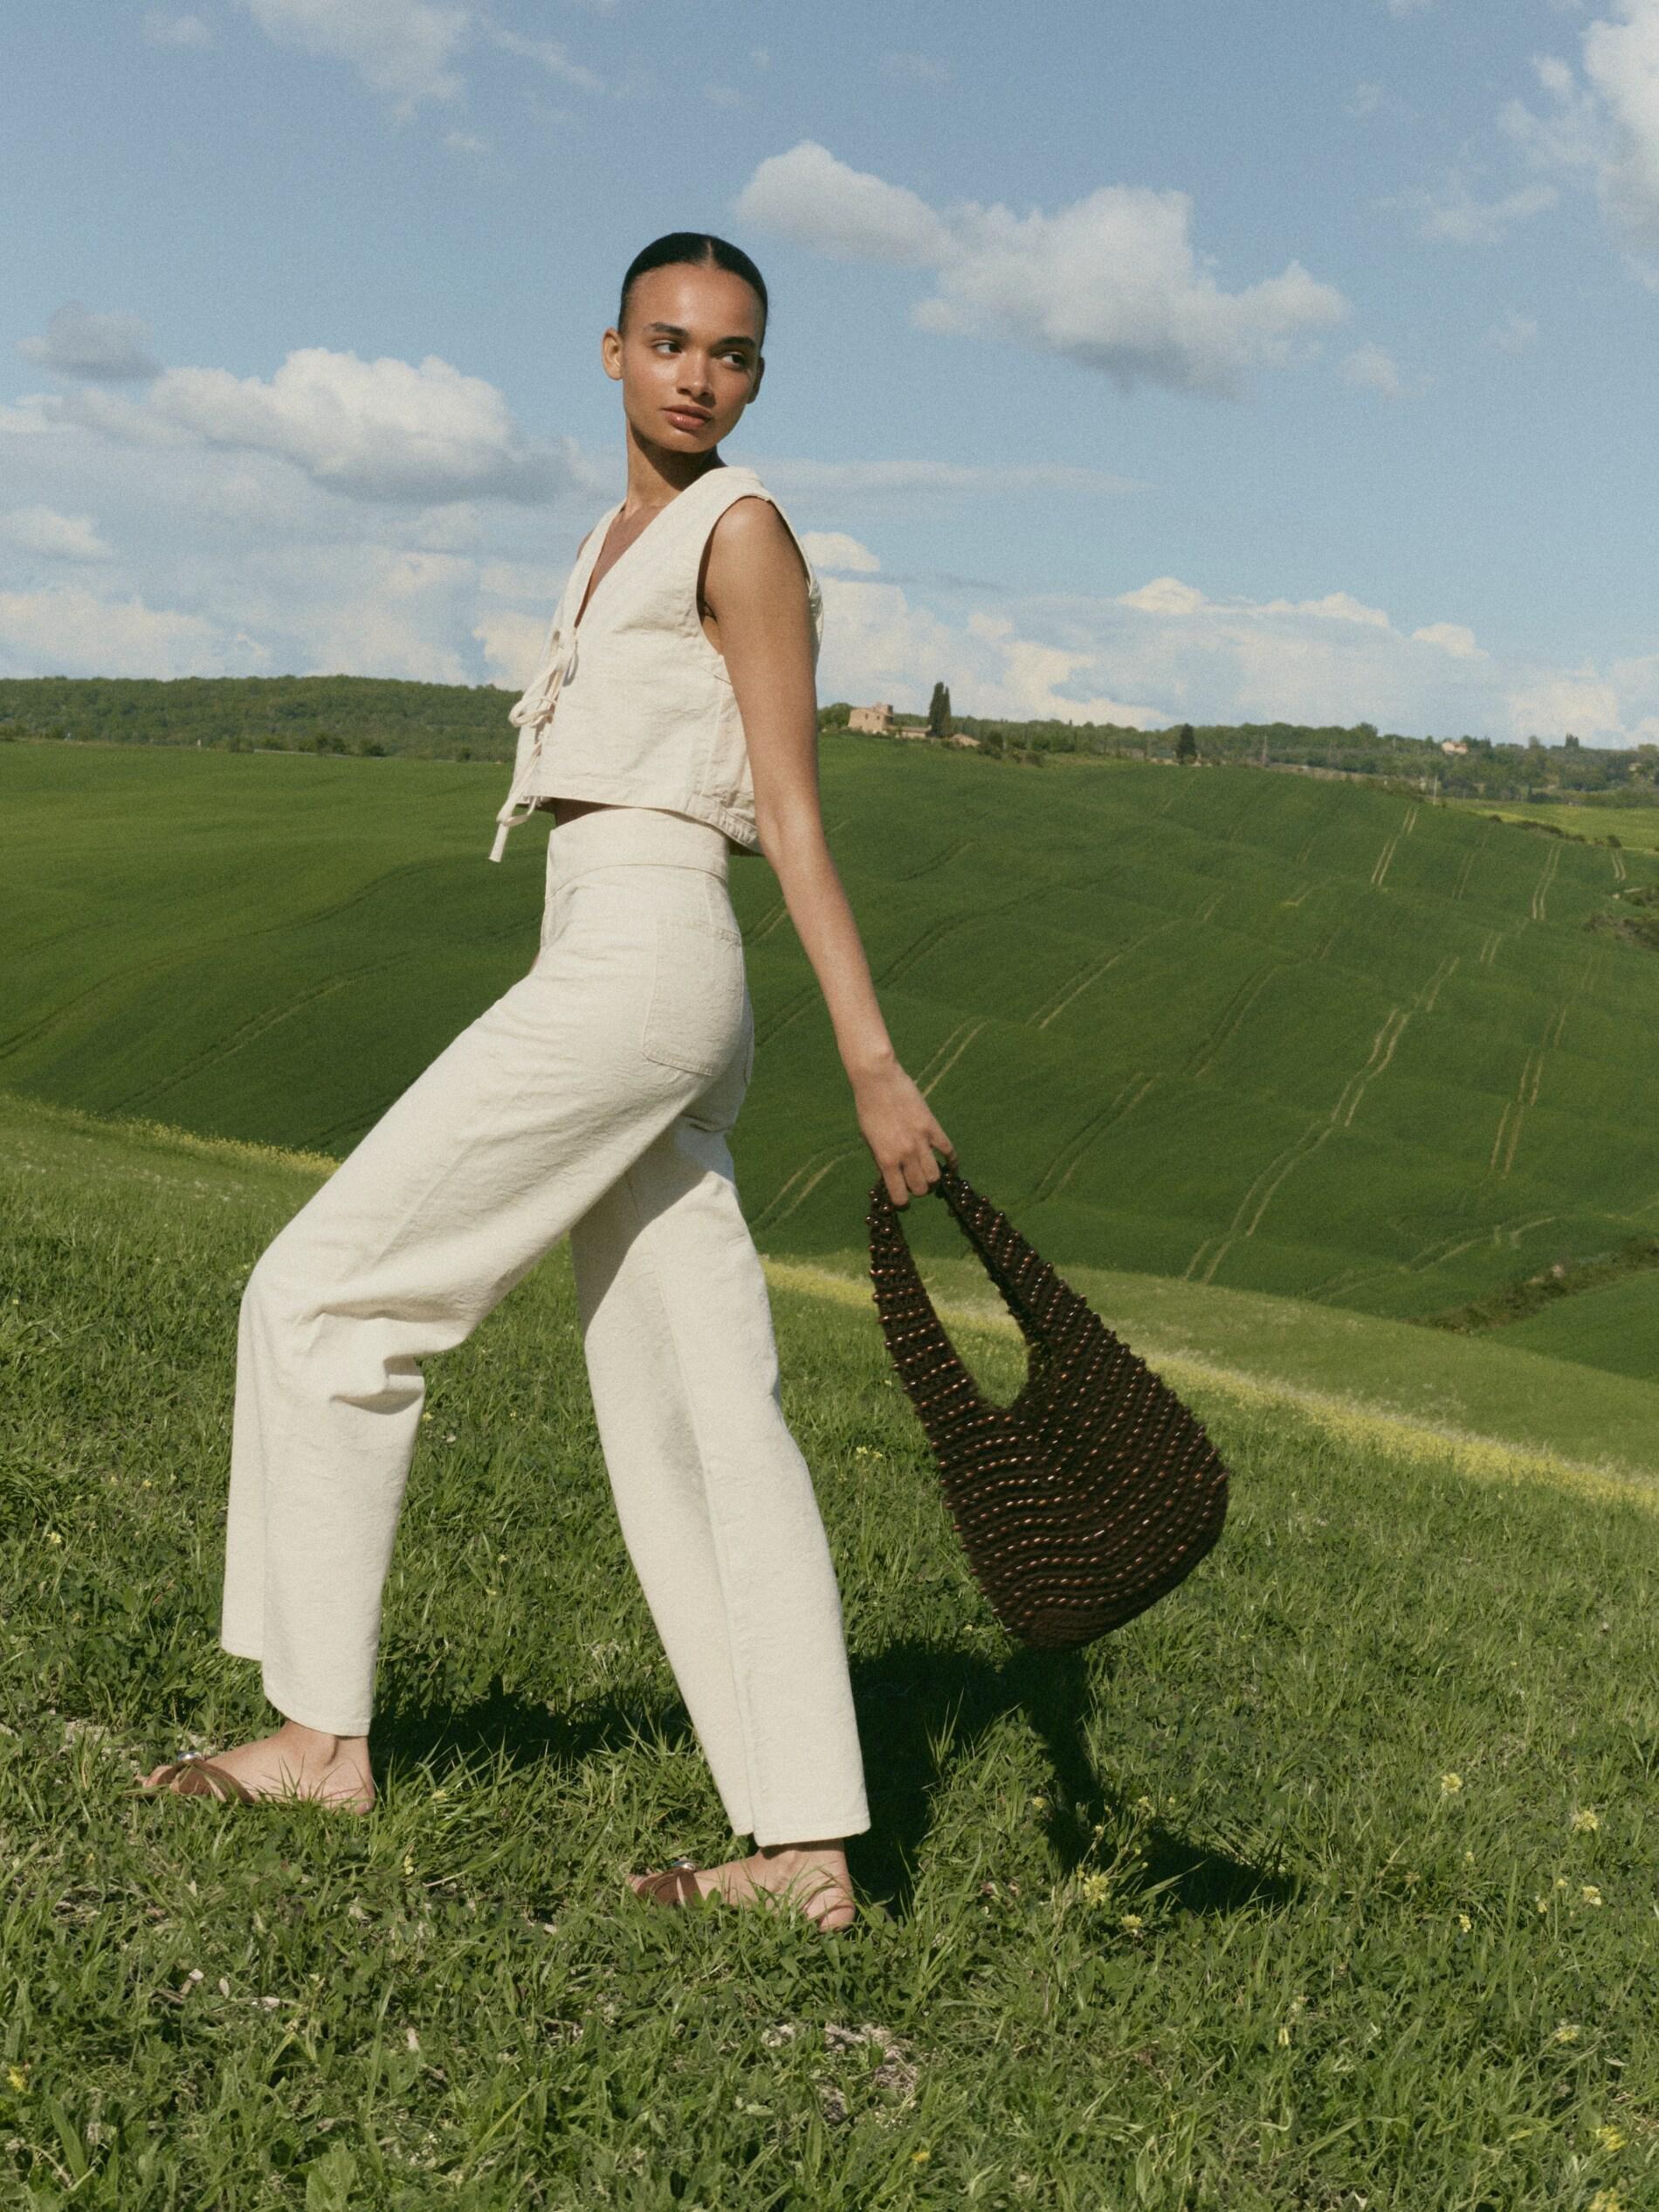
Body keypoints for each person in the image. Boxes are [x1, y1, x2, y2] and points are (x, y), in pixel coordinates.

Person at [143, 232, 953, 1933]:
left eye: (729, 354)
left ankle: (317, 1734)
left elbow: (794, 809)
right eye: (665, 341)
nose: (693, 374)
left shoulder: (741, 537)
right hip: (622, 958)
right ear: (607, 353)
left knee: (323, 1295)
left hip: (649, 958)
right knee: (695, 1401)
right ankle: (804, 1848)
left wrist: (873, 1062)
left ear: (755, 381)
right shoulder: (615, 536)